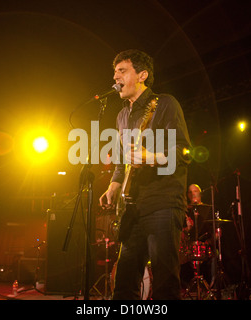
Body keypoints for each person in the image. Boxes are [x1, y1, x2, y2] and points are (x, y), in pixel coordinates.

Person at [99, 49, 191, 300]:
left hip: (162, 202)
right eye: (114, 71)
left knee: (165, 284)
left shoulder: (164, 103)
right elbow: (122, 159)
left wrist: (151, 157)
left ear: (142, 75)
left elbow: (183, 151)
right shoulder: (121, 115)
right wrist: (114, 184)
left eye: (122, 70)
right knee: (124, 283)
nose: (115, 76)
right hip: (132, 208)